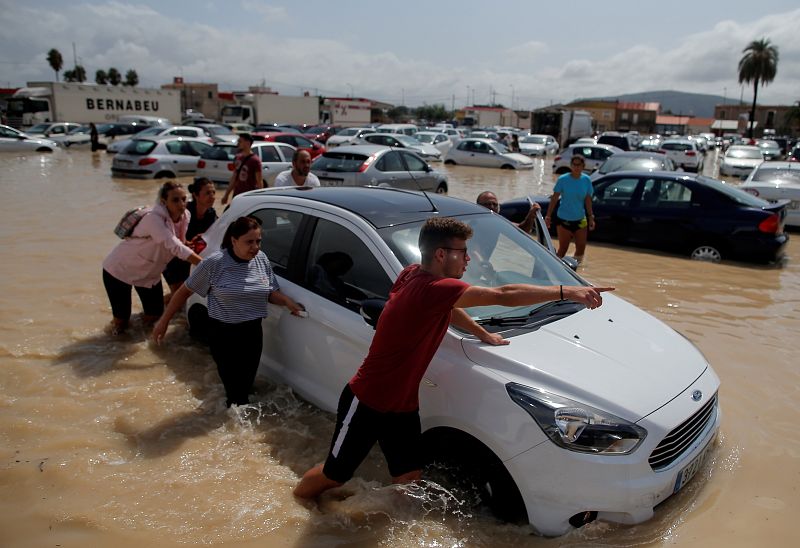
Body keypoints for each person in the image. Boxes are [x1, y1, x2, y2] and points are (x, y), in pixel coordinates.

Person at [293, 217, 613, 500]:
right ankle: (296, 503)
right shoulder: (428, 288)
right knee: (334, 476)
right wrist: (567, 291)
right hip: (368, 401)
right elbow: (502, 295)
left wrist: (482, 333)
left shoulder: (412, 275)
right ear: (441, 254)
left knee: (408, 478)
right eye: (463, 252)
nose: (469, 258)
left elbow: (449, 306)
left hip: (402, 406)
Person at [152, 216, 305, 407]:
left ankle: (236, 421)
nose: (255, 247)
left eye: (258, 241)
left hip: (252, 334)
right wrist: (164, 321)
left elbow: (269, 293)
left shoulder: (261, 259)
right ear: (234, 241)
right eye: (249, 242)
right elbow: (183, 292)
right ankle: (233, 430)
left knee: (246, 386)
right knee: (236, 395)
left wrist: (287, 302)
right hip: (223, 335)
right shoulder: (214, 264)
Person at [102, 182, 203, 335]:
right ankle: (109, 346)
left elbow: (178, 243)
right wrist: (205, 265)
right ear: (164, 202)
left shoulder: (186, 216)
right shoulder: (153, 219)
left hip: (149, 274)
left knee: (154, 316)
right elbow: (173, 244)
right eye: (175, 200)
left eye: (184, 199)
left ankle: (143, 343)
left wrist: (191, 244)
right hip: (119, 271)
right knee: (121, 322)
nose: (181, 204)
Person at [163, 177, 218, 297]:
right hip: (172, 257)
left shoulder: (211, 214)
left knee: (183, 294)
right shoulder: (183, 210)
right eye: (207, 193)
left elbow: (218, 234)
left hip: (189, 259)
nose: (212, 196)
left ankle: (164, 311)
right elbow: (169, 237)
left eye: (213, 192)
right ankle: (158, 311)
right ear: (196, 195)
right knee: (177, 293)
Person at [544, 154, 595, 262]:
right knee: (563, 249)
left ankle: (575, 272)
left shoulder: (586, 180)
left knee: (581, 249)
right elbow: (554, 198)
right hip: (564, 219)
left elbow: (588, 199)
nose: (576, 167)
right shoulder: (563, 179)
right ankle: (555, 268)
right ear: (571, 165)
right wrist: (548, 216)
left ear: (583, 166)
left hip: (581, 219)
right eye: (574, 164)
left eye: (579, 165)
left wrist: (591, 217)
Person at [221, 133, 262, 205]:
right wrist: (226, 195)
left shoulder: (255, 160)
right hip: (237, 195)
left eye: (240, 141)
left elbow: (259, 181)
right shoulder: (238, 158)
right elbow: (234, 178)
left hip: (249, 196)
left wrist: (260, 199)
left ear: (248, 143)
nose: (238, 143)